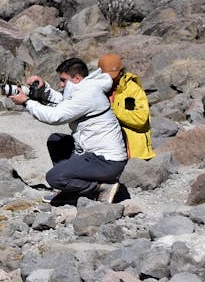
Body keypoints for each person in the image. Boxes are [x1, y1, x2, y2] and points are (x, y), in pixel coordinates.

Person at [9, 57, 126, 204]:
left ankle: (99, 188)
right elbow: (64, 102)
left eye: (63, 80)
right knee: (56, 140)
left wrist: (26, 102)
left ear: (77, 78)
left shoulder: (87, 94)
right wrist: (44, 89)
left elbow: (55, 116)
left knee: (54, 178)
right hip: (95, 155)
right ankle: (72, 189)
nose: (61, 84)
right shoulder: (85, 88)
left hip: (106, 161)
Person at [98, 52, 154, 161]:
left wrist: (112, 109)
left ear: (120, 73)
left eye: (113, 77)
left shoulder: (133, 90)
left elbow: (140, 119)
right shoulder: (100, 90)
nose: (110, 80)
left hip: (135, 155)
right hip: (110, 152)